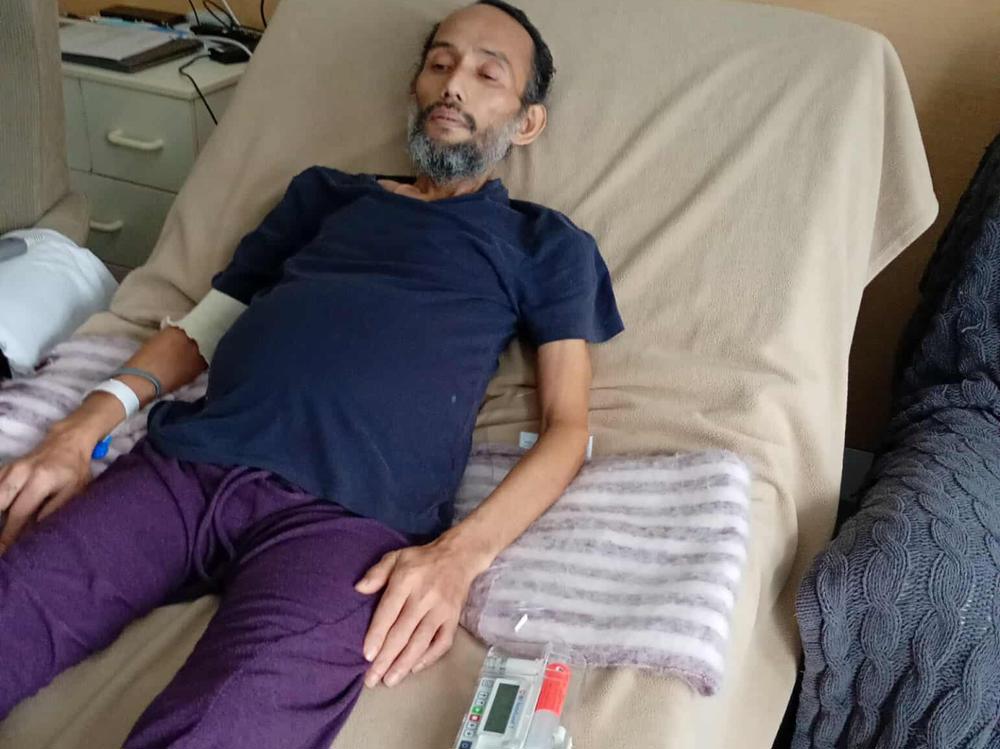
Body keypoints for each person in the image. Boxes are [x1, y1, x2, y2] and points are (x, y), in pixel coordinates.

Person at [0, 1, 623, 747]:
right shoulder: (325, 196)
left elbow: (567, 427)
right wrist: (77, 432)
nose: (454, 84)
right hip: (188, 466)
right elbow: (200, 329)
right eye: (439, 63)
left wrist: (461, 556)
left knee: (224, 727)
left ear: (527, 121)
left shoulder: (541, 241)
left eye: (488, 75)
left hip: (350, 525)